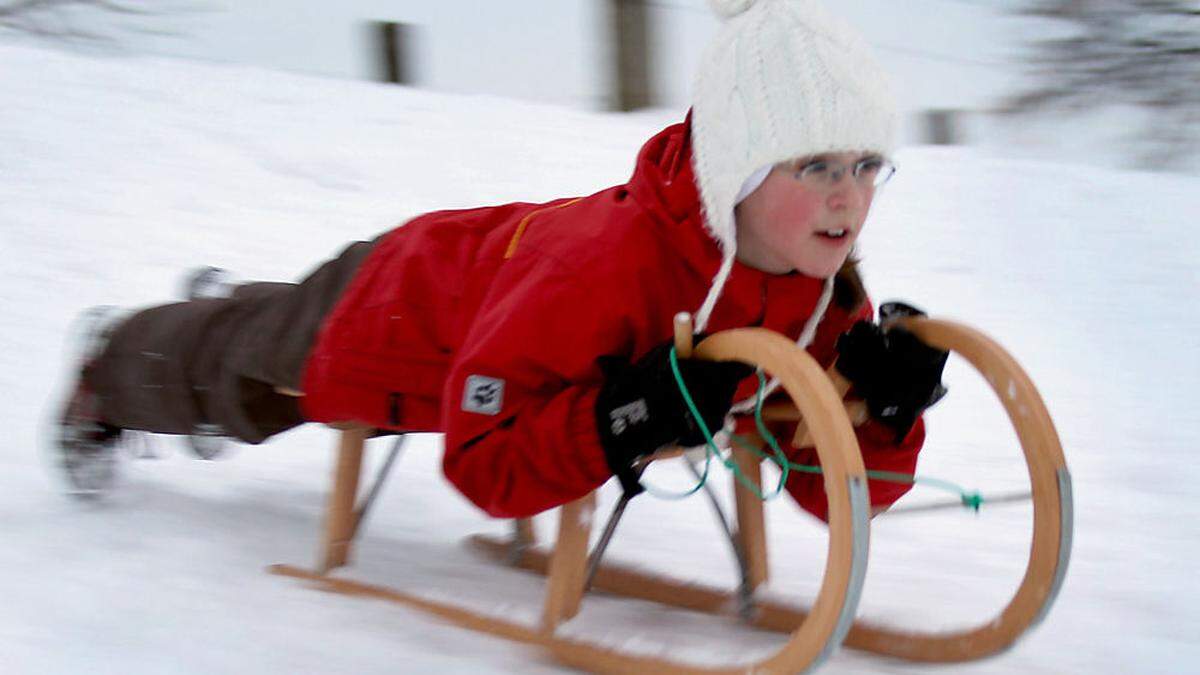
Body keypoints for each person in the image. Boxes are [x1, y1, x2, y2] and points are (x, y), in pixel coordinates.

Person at [53, 0, 948, 520]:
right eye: (818, 166)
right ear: (736, 174)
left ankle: (233, 305)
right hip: (405, 301)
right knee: (246, 379)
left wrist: (885, 410)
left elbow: (833, 496)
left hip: (494, 297)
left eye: (867, 166)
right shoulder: (606, 269)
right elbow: (479, 457)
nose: (848, 195)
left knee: (259, 342)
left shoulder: (820, 288)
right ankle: (115, 359)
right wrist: (623, 418)